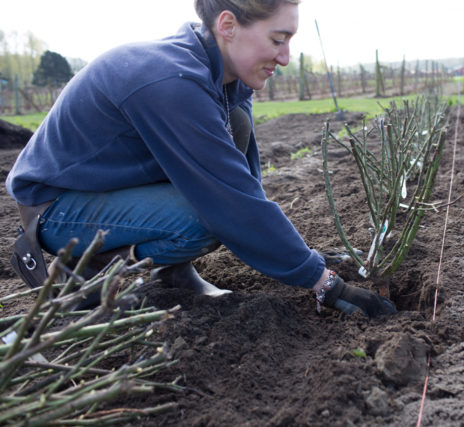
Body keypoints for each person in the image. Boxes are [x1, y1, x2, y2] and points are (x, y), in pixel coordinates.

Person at [6, 0, 396, 317]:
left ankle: (172, 273)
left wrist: (296, 253)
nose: (286, 57)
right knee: (207, 220)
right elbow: (228, 204)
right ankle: (85, 267)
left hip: (105, 187)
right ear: (227, 26)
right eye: (278, 39)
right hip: (56, 207)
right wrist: (324, 282)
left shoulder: (222, 79)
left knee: (235, 131)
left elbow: (242, 182)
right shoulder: (171, 82)